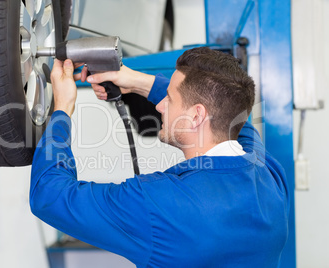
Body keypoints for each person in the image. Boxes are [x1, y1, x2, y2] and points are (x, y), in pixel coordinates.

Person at [30, 47, 289, 267]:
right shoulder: (268, 176)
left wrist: (62, 109)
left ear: (197, 116)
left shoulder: (160, 204)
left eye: (170, 99)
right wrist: (135, 81)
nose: (159, 105)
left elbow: (49, 195)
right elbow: (235, 117)